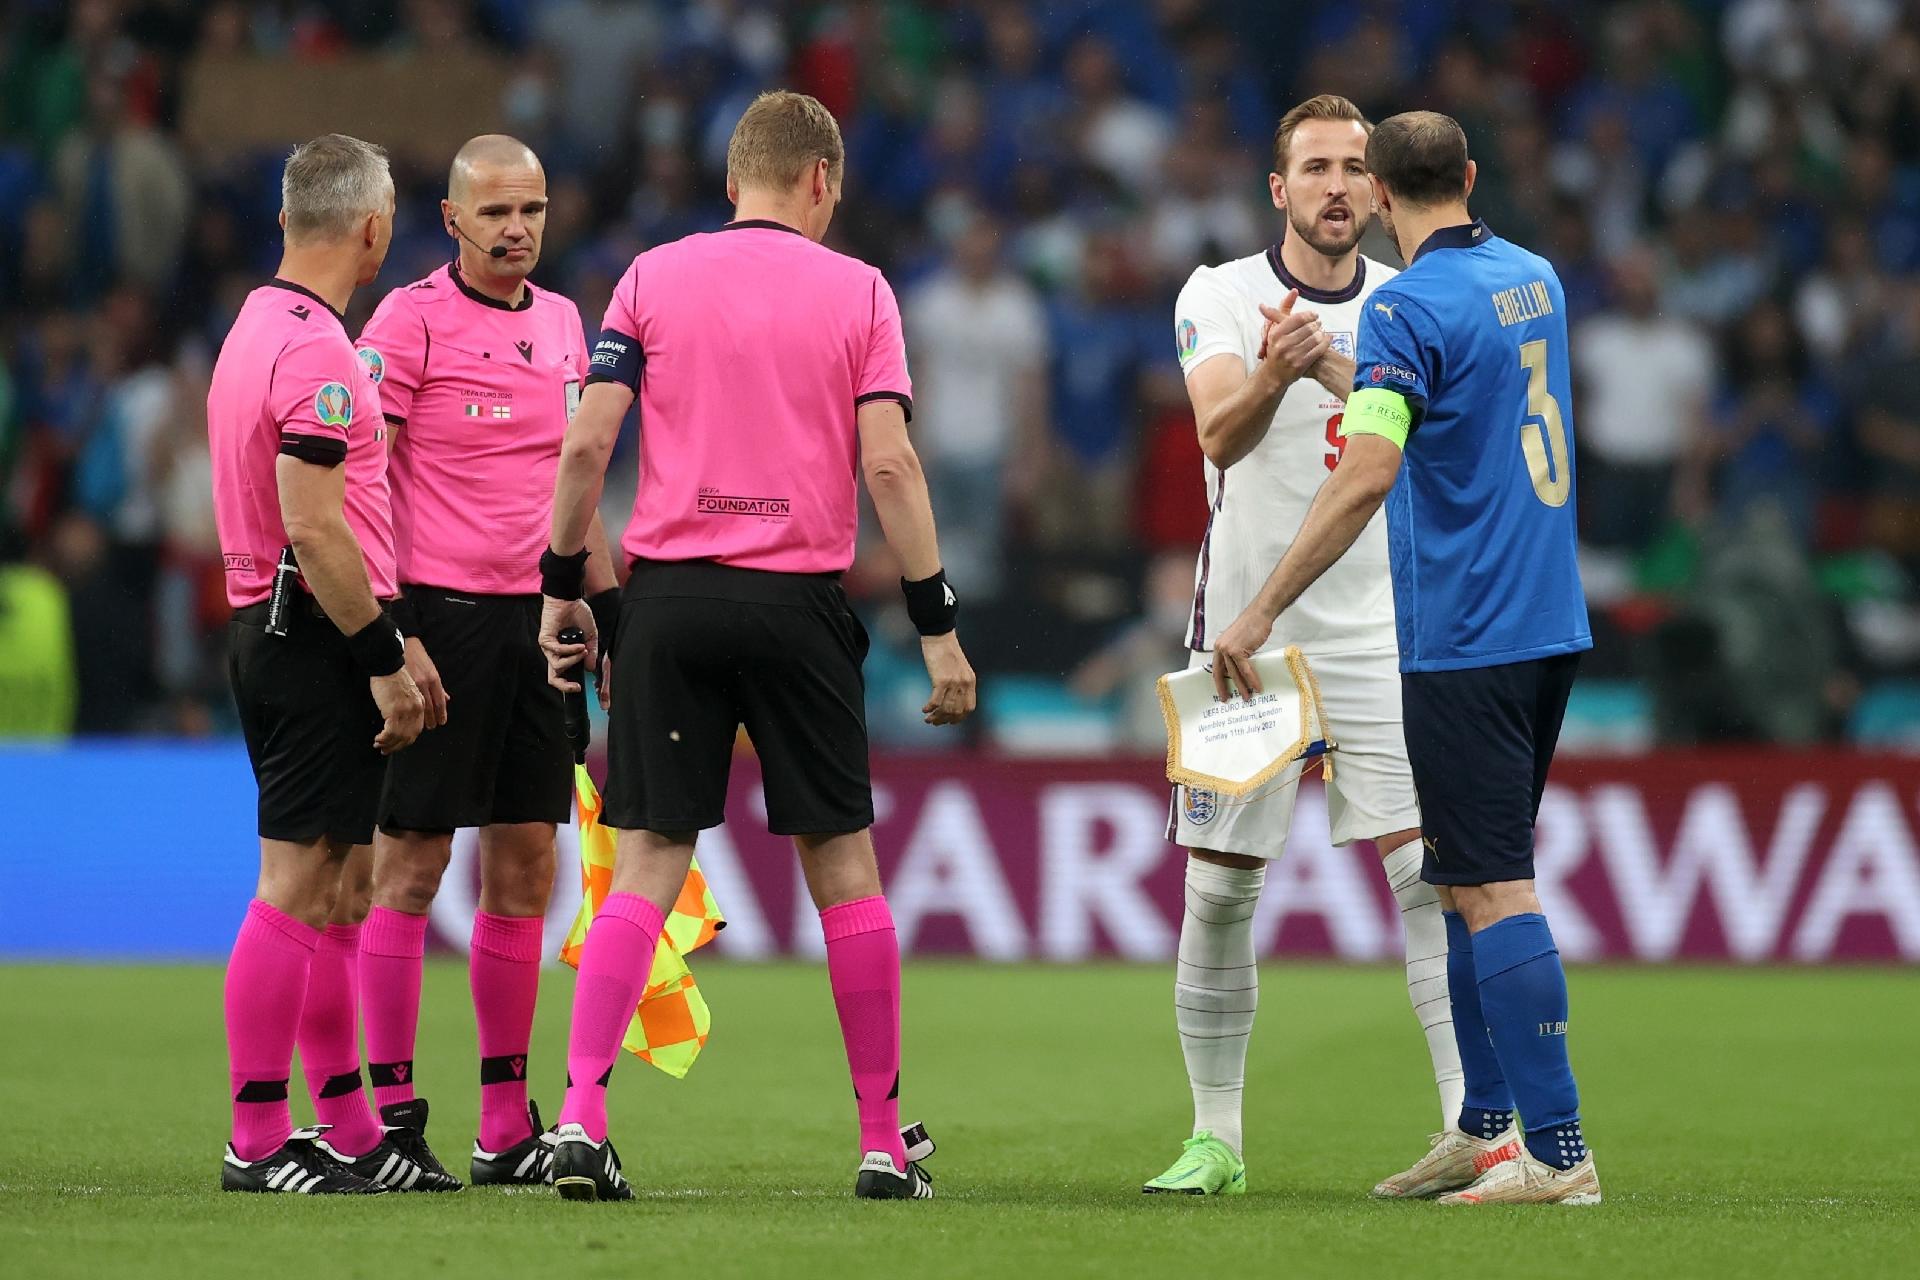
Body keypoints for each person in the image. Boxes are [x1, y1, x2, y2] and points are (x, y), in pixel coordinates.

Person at [536, 90, 976, 1202]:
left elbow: (587, 440)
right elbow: (890, 467)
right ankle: (881, 1138)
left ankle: (582, 1117)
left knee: (645, 860)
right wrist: (937, 627)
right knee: (843, 870)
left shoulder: (650, 276)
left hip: (671, 601)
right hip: (798, 604)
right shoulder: (862, 290)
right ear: (821, 180)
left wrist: (560, 588)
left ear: (735, 182)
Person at [1212, 111, 1601, 1206]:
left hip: (1464, 636)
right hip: (1548, 622)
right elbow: (1447, 399)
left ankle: (1558, 1152)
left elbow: (1372, 466)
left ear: (1380, 194)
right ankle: (1483, 1127)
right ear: (1470, 177)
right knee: (1461, 871)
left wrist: (1258, 608)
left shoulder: (1406, 307)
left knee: (1493, 885)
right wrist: (1339, 360)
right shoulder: (1535, 280)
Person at [1145, 94, 1464, 1199]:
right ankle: (1216, 1138)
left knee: (1427, 875)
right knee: (1223, 885)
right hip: (1246, 626)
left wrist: (1342, 372)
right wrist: (1282, 367)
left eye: (1354, 168)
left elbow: (1439, 465)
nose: (1337, 185)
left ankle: (1471, 1129)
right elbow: (1218, 432)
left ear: (1381, 191)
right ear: (1279, 191)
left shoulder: (1411, 306)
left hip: (1381, 628)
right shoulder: (1221, 294)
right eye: (1315, 167)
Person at [343, 134, 617, 1190]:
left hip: (537, 624)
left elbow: (572, 483)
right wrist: (396, 626)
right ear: (452, 219)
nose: (517, 230)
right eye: (495, 212)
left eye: (532, 211)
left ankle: (505, 1121)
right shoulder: (406, 320)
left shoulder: (561, 322)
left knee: (526, 865)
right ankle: (395, 1114)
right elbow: (362, 480)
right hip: (440, 621)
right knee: (409, 865)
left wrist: (606, 604)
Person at [207, 134, 426, 1195]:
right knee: (297, 882)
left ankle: (346, 1125)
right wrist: (382, 652)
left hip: (287, 626)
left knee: (346, 885)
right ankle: (256, 1138)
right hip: (310, 636)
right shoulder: (319, 353)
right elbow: (316, 524)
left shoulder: (255, 328)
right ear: (374, 228)